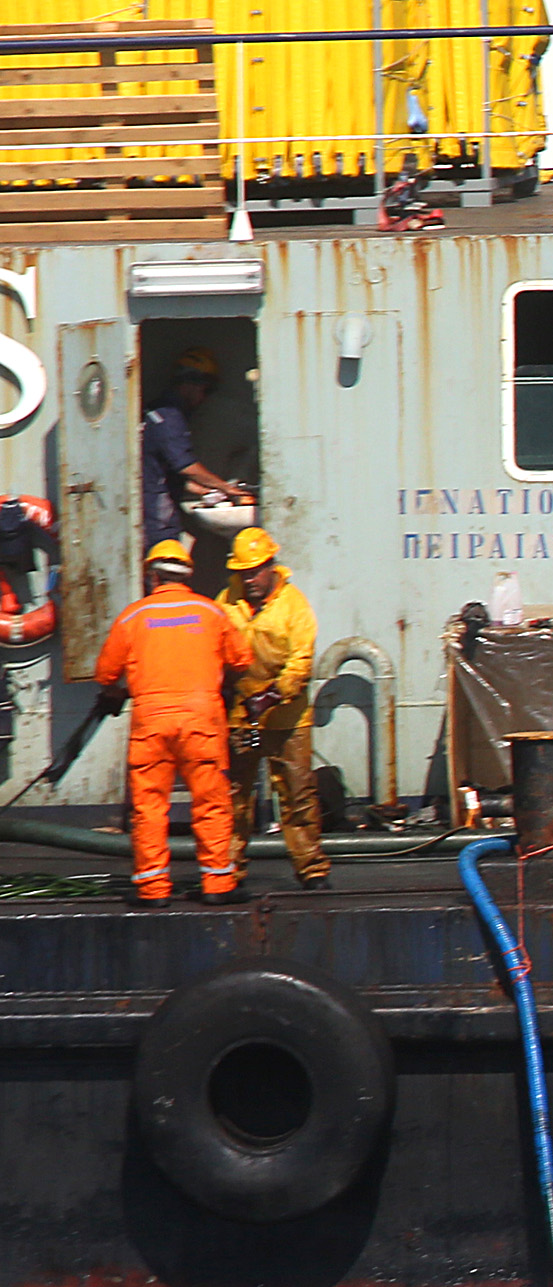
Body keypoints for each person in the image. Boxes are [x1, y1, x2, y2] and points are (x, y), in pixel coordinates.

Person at [92, 538, 250, 903]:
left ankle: (152, 888)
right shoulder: (212, 612)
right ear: (188, 576)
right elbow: (242, 660)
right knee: (211, 802)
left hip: (151, 723)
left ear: (153, 576)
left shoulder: (133, 616)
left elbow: (104, 674)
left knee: (149, 806)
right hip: (201, 722)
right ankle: (217, 885)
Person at [215, 527, 326, 889]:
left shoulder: (294, 606)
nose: (249, 579)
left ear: (270, 567)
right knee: (235, 797)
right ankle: (228, 870)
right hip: (239, 718)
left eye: (255, 571)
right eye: (242, 572)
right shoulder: (224, 603)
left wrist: (271, 696)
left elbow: (301, 661)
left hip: (286, 720)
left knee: (298, 796)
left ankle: (311, 869)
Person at [140, 352, 245, 552]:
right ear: (190, 385)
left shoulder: (158, 412)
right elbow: (186, 467)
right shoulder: (170, 417)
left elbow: (169, 474)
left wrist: (207, 491)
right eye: (206, 390)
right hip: (157, 517)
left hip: (154, 510)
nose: (204, 397)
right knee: (163, 563)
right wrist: (226, 488)